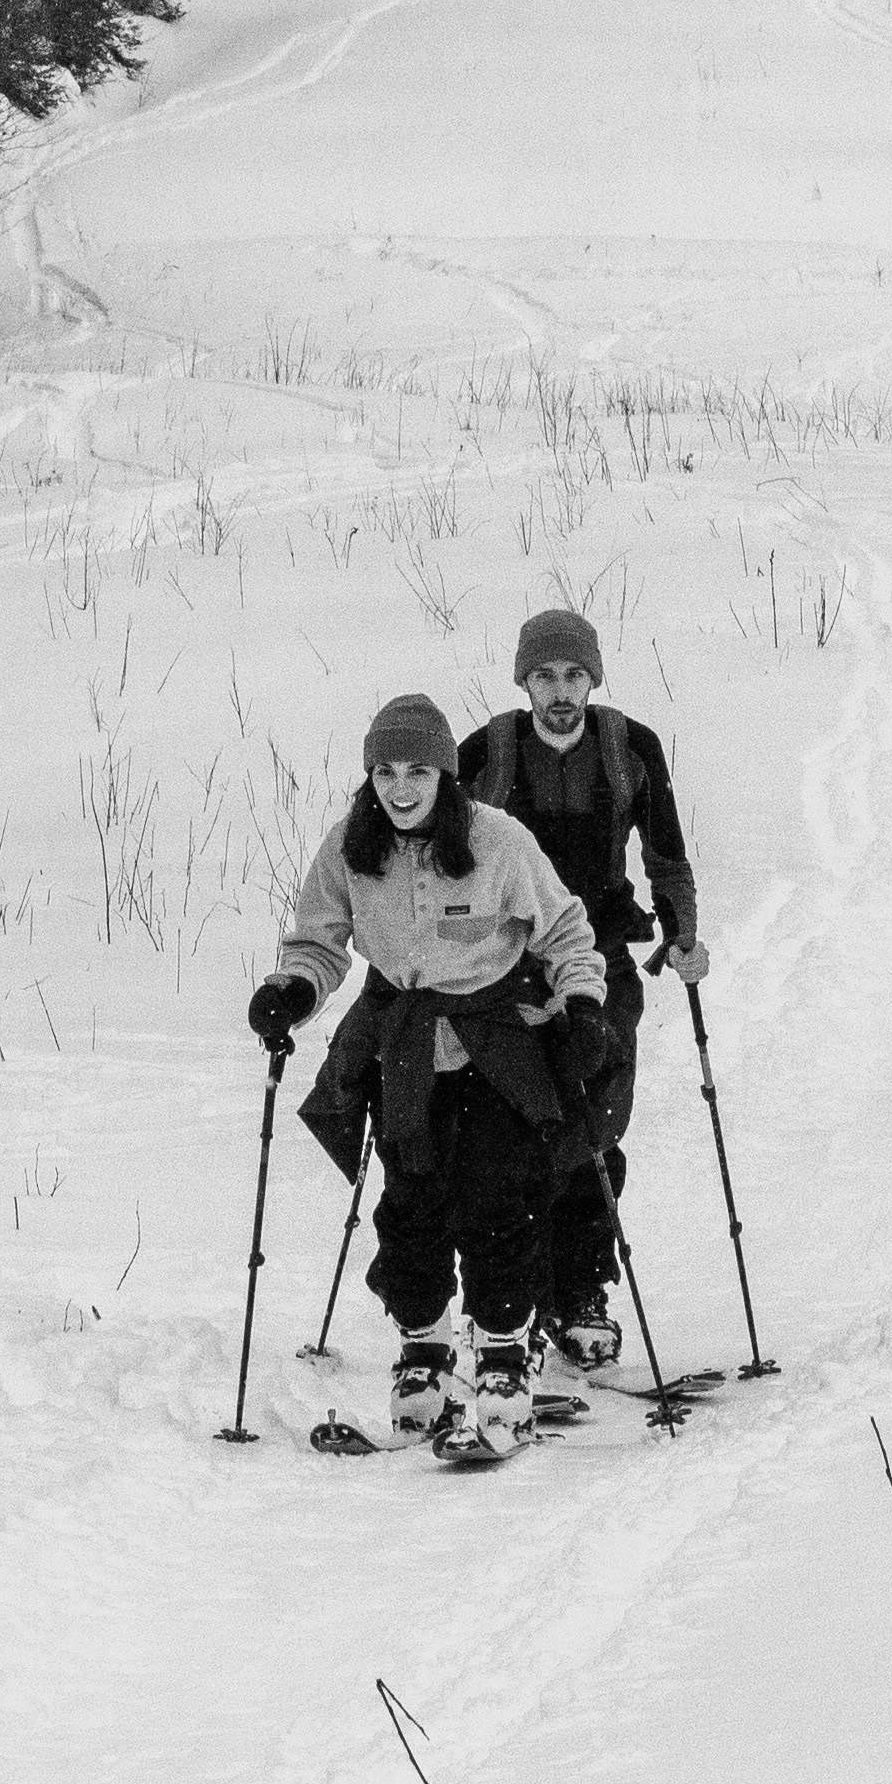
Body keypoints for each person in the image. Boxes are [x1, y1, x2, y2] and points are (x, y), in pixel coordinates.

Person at [250, 694, 607, 1459]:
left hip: (498, 1047)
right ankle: (424, 1359)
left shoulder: (498, 841)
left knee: (494, 1204)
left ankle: (507, 1366)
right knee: (410, 1209)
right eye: (384, 770)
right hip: (404, 1047)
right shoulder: (350, 847)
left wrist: (582, 1004)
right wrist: (290, 993)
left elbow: (567, 931)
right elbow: (318, 942)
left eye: (417, 770)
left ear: (446, 774)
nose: (400, 787)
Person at [459, 607, 706, 1410]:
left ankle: (583, 1294)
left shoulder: (628, 747)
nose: (559, 692)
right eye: (544, 676)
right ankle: (517, 1308)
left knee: (595, 1124)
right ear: (523, 680)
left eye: (573, 675)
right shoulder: (486, 757)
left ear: (593, 678)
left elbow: (664, 850)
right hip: (510, 965)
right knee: (518, 1129)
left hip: (601, 952)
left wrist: (682, 932)